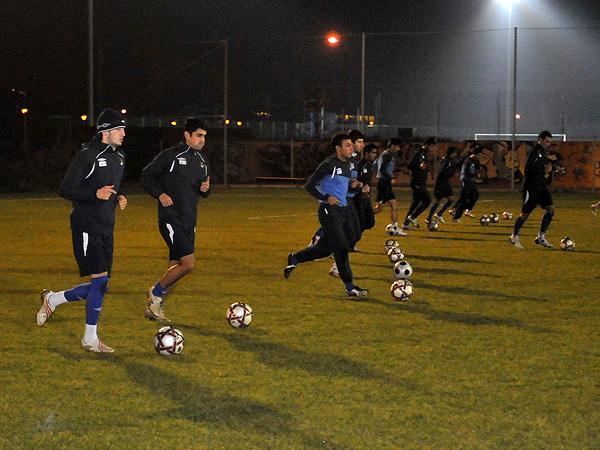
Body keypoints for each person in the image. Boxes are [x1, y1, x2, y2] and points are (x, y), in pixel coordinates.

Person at [36, 108, 128, 353]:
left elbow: (109, 188)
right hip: (86, 225)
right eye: (119, 129)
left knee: (101, 285)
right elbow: (66, 189)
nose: (123, 133)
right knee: (99, 281)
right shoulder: (87, 155)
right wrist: (94, 194)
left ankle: (53, 299)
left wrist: (119, 197)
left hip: (107, 226)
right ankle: (89, 338)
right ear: (106, 131)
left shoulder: (119, 157)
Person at [141, 118, 211, 321]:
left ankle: (154, 308)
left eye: (204, 136)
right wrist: (159, 194)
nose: (202, 139)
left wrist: (205, 189)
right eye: (198, 135)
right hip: (171, 218)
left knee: (175, 265)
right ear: (187, 135)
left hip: (190, 220)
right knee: (188, 264)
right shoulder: (171, 155)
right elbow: (147, 175)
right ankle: (155, 292)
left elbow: (204, 189)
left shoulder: (202, 161)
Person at [283, 133, 368, 297]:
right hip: (328, 211)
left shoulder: (348, 165)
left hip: (341, 211)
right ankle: (350, 287)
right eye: (347, 145)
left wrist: (355, 186)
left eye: (351, 145)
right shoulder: (328, 164)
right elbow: (309, 185)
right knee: (341, 248)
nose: (351, 148)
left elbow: (345, 188)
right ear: (338, 148)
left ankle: (295, 258)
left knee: (324, 250)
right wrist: (325, 197)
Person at [509, 130, 555, 249]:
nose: (549, 143)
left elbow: (543, 168)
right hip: (531, 188)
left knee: (550, 210)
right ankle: (514, 236)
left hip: (541, 187)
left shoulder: (543, 152)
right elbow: (527, 170)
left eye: (550, 142)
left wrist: (549, 169)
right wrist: (544, 171)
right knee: (525, 214)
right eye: (547, 141)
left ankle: (541, 237)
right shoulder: (534, 152)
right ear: (540, 140)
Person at [329, 129, 364, 276]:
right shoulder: (340, 161)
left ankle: (329, 250)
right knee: (351, 233)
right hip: (342, 200)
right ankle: (336, 264)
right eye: (359, 142)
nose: (362, 145)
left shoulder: (353, 161)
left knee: (355, 234)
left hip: (349, 199)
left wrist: (358, 185)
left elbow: (350, 182)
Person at [373, 138, 406, 235]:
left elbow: (375, 165)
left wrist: (393, 173)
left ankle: (359, 215)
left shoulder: (385, 154)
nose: (399, 148)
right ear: (392, 145)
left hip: (382, 183)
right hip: (384, 183)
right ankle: (395, 227)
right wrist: (390, 177)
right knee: (394, 205)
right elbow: (381, 169)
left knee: (378, 208)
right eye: (398, 146)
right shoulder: (387, 155)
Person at [402, 138, 436, 229]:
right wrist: (419, 166)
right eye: (431, 146)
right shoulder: (418, 153)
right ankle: (413, 217)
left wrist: (427, 168)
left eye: (433, 147)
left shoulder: (423, 155)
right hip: (417, 182)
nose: (432, 148)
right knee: (427, 200)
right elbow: (410, 165)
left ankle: (405, 223)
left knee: (416, 202)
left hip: (420, 182)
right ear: (426, 145)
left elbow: (422, 167)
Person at [426, 145, 458, 227]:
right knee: (438, 201)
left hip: (446, 183)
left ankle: (439, 214)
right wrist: (450, 173)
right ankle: (428, 218)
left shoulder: (450, 161)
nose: (455, 154)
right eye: (455, 153)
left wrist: (452, 172)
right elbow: (441, 172)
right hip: (440, 183)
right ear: (452, 153)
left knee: (451, 199)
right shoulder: (445, 161)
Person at [452, 145, 482, 222]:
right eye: (478, 155)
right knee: (464, 199)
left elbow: (476, 169)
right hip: (465, 181)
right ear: (474, 154)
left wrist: (476, 173)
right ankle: (456, 217)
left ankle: (467, 210)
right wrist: (475, 174)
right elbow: (466, 172)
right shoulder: (468, 161)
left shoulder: (474, 160)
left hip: (471, 181)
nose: (479, 157)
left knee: (476, 195)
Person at [354, 142, 378, 232]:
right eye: (373, 153)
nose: (375, 155)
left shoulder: (370, 165)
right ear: (366, 153)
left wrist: (368, 190)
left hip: (366, 197)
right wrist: (361, 189)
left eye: (376, 153)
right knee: (361, 223)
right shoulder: (359, 166)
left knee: (370, 222)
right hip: (358, 198)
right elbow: (352, 181)